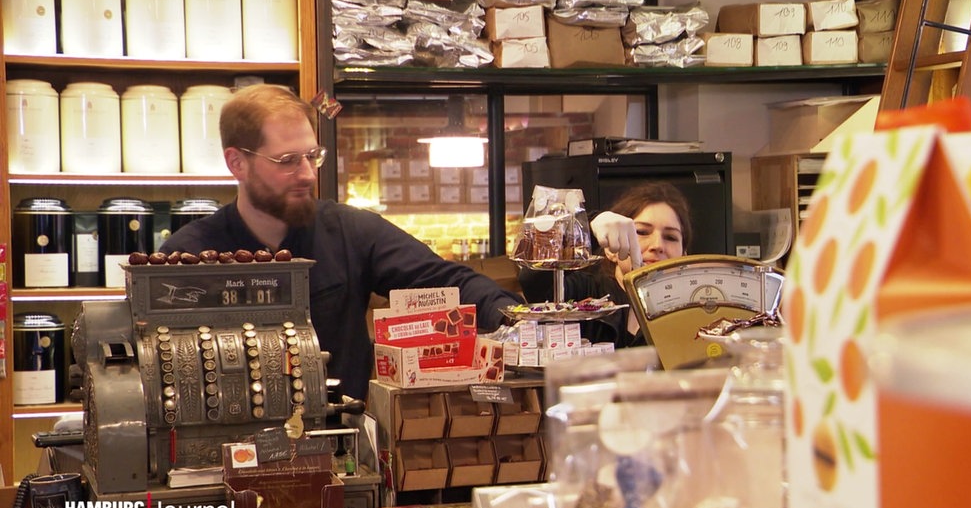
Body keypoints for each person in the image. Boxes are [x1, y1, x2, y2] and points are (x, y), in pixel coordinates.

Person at [161, 83, 522, 400]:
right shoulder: (188, 257)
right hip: (229, 452)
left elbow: (449, 283)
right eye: (287, 160)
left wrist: (517, 322)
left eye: (312, 156)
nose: (306, 174)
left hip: (342, 449)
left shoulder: (351, 231)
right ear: (237, 163)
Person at [519, 182, 692, 349]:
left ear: (684, 255)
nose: (658, 245)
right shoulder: (585, 290)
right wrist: (590, 226)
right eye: (642, 232)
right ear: (610, 249)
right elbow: (532, 281)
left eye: (670, 237)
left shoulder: (693, 310)